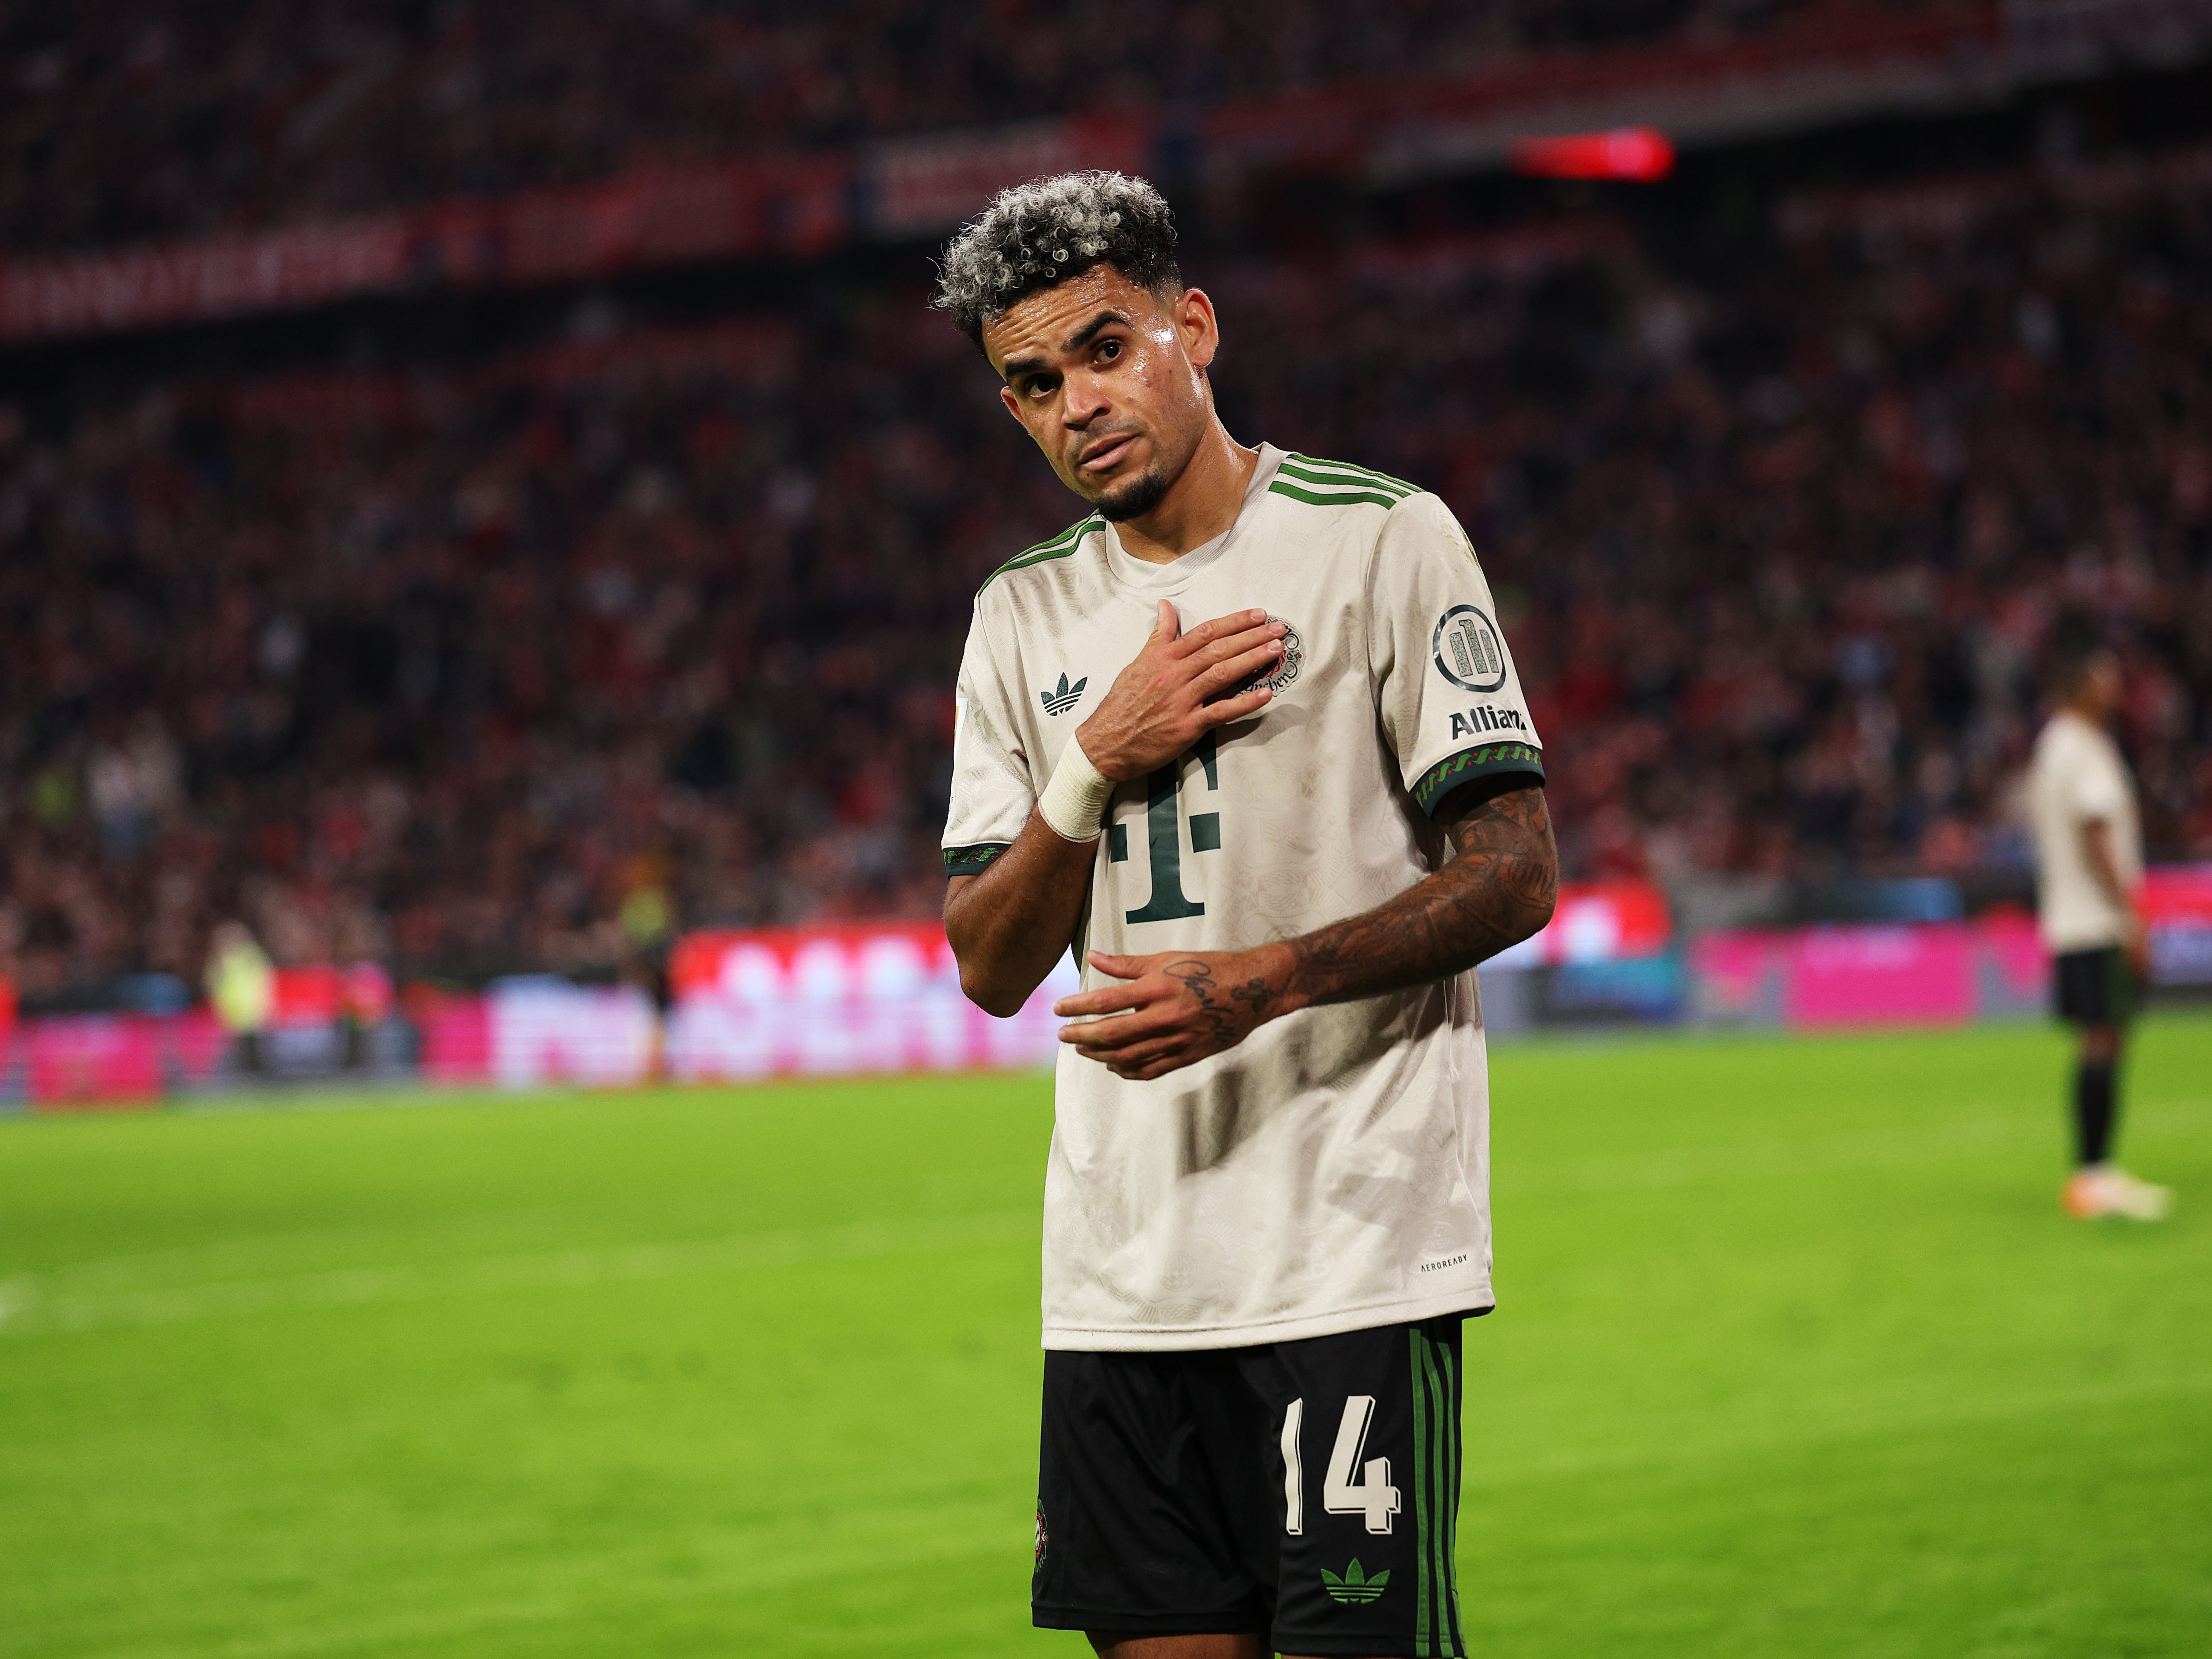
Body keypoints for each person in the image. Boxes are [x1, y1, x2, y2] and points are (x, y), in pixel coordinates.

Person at [935, 173, 1557, 1659]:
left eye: (1104, 349)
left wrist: (1265, 981)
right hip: (1119, 1281)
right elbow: (990, 966)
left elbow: (1518, 868)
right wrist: (1093, 762)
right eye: (1030, 384)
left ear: (1191, 328)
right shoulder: (1020, 618)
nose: (1074, 403)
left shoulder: (1382, 542)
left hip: (1344, 1252)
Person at [2027, 636, 2170, 1221]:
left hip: (2070, 915)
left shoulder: (2052, 745)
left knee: (2101, 1036)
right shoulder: (2084, 748)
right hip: (2095, 918)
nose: (2113, 686)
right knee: (2106, 1037)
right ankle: (2095, 1173)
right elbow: (2095, 834)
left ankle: (2092, 1172)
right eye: (2103, 676)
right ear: (2078, 686)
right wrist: (2129, 913)